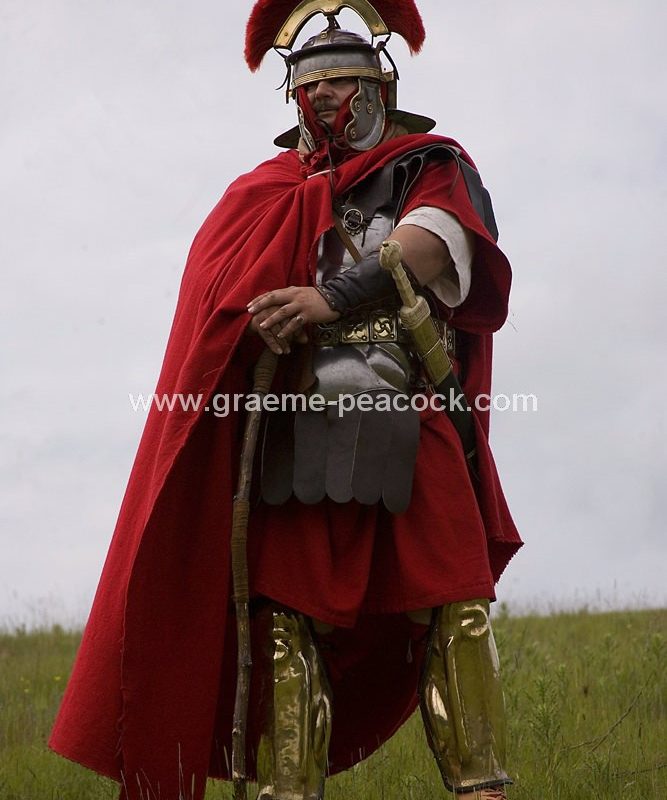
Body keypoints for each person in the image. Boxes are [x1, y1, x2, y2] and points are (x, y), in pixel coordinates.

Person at [49, 1, 522, 799]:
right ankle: (288, 793)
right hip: (296, 423)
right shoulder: (262, 192)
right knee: (287, 624)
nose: (329, 99)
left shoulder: (429, 165)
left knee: (455, 604)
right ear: (293, 99)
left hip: (409, 410)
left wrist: (326, 298)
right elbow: (218, 302)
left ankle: (482, 790)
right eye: (315, 86)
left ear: (379, 86)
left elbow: (432, 242)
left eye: (344, 82)